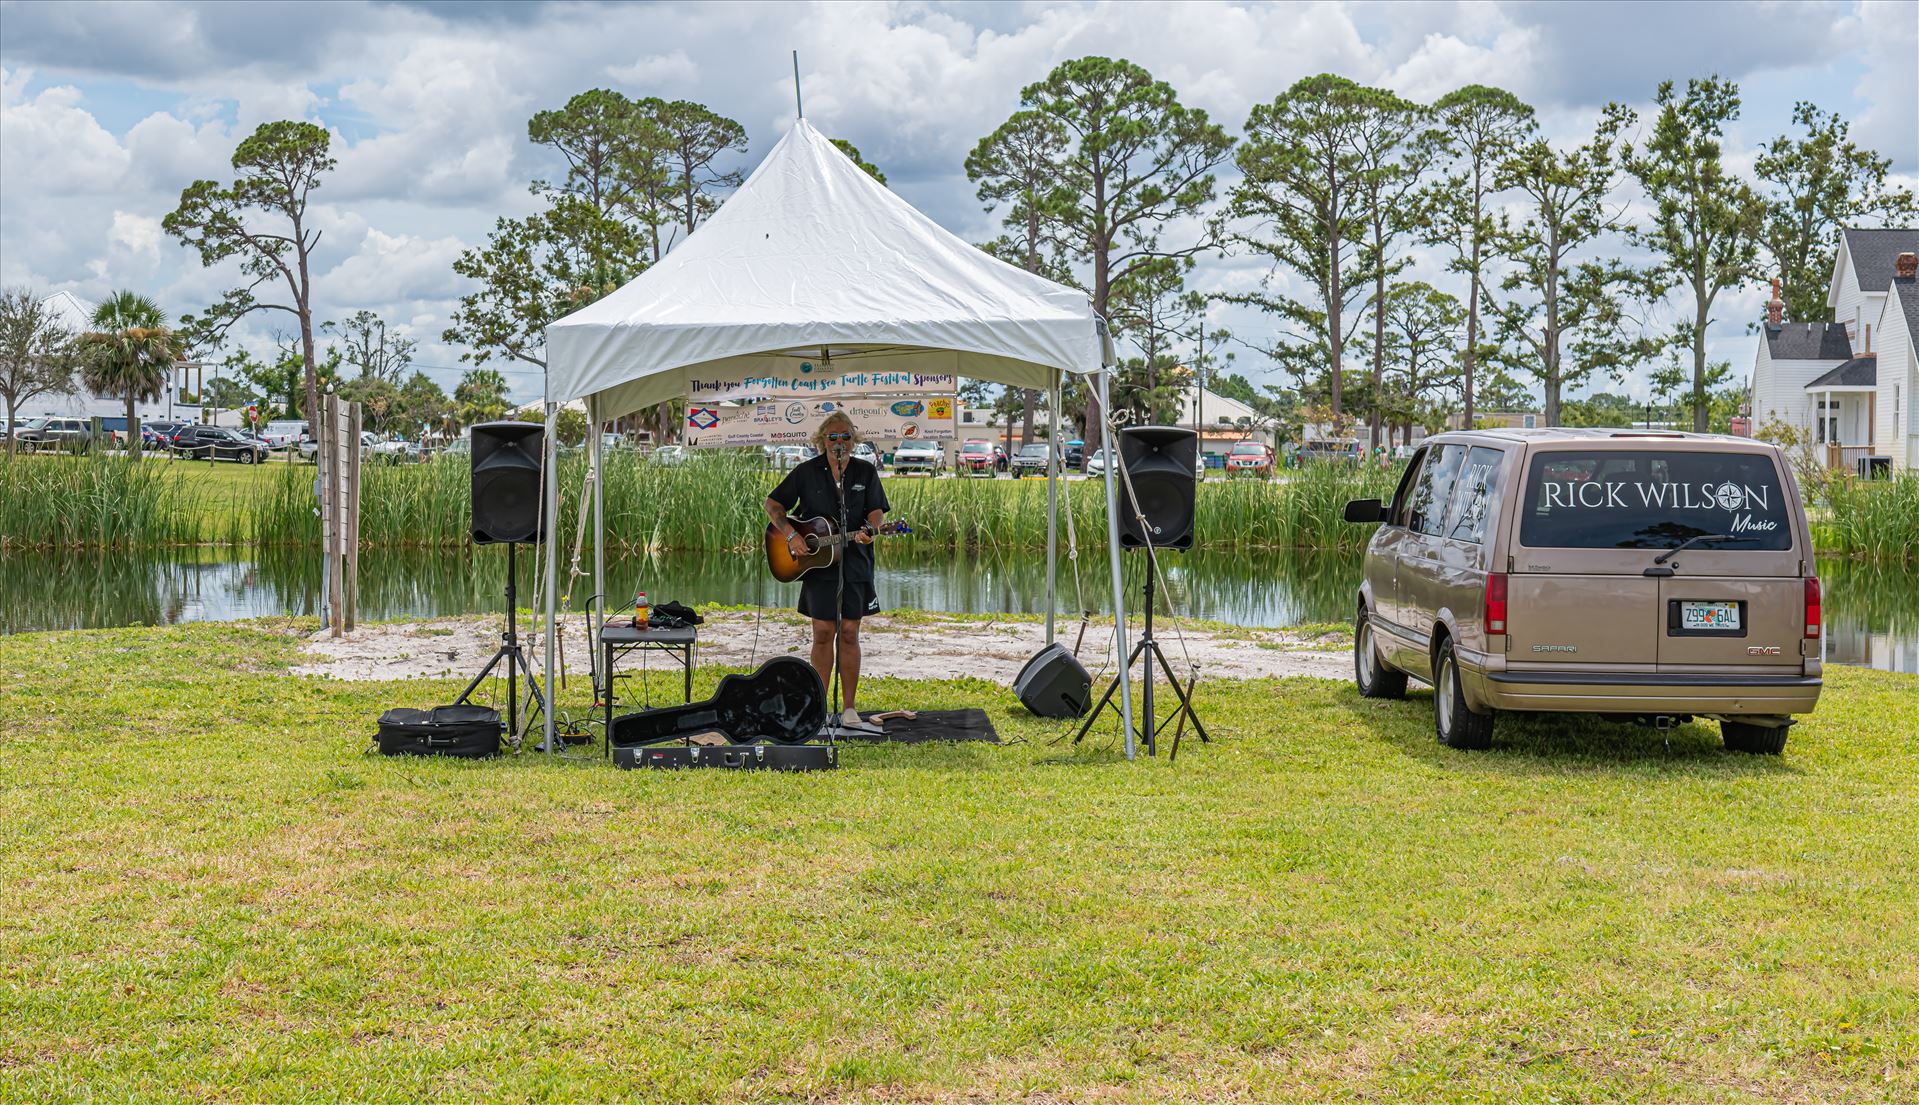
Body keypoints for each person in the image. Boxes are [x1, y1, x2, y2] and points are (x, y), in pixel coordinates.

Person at [764, 412, 891, 732]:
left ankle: (849, 708)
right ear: (821, 440)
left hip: (856, 564)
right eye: (832, 437)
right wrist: (792, 536)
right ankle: (819, 708)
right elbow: (773, 505)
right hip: (819, 566)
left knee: (849, 632)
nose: (839, 443)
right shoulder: (806, 472)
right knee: (822, 634)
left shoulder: (865, 471)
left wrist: (870, 530)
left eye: (845, 436)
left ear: (854, 440)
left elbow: (876, 513)